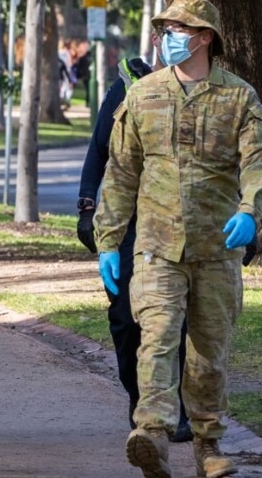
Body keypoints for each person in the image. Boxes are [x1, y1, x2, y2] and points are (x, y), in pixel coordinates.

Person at [95, 0, 262, 478]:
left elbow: (259, 162)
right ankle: (151, 434)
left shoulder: (239, 98)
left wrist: (249, 211)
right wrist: (108, 240)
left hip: (216, 249)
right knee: (155, 339)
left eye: (178, 29)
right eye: (164, 28)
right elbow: (121, 172)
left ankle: (208, 443)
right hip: (155, 246)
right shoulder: (143, 94)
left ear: (204, 37)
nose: (168, 36)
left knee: (207, 354)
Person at [77, 35, 197, 443]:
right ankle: (139, 396)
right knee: (127, 320)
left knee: (171, 320)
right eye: (165, 34)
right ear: (155, 41)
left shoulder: (208, 93)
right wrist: (87, 206)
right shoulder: (128, 88)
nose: (172, 42)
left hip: (179, 224)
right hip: (128, 224)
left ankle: (173, 408)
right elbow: (98, 152)